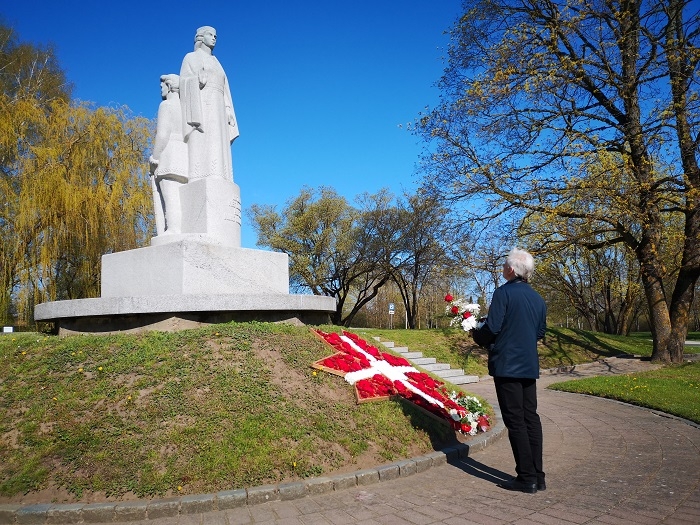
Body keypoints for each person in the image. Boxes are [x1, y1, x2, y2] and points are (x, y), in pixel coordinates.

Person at [472, 248, 547, 493]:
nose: (503, 268)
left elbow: (492, 328)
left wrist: (475, 333)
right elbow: (539, 333)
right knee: (530, 418)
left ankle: (526, 478)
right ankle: (538, 476)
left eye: (505, 265)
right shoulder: (538, 299)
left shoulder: (503, 293)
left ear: (511, 269)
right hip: (528, 365)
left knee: (515, 421)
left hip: (507, 366)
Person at [179, 26, 239, 181]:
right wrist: (196, 80)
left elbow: (224, 89)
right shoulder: (191, 57)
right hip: (203, 106)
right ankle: (202, 174)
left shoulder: (217, 62)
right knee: (205, 140)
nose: (214, 38)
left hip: (218, 107)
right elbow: (182, 83)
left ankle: (221, 174)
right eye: (210, 35)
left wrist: (227, 109)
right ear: (201, 37)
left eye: (215, 36)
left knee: (219, 143)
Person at [149, 74, 188, 235]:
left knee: (170, 195)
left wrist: (155, 157)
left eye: (162, 86)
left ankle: (173, 229)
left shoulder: (166, 105)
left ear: (170, 86)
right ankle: (181, 228)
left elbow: (163, 134)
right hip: (185, 154)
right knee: (181, 197)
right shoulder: (187, 109)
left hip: (169, 154)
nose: (161, 89)